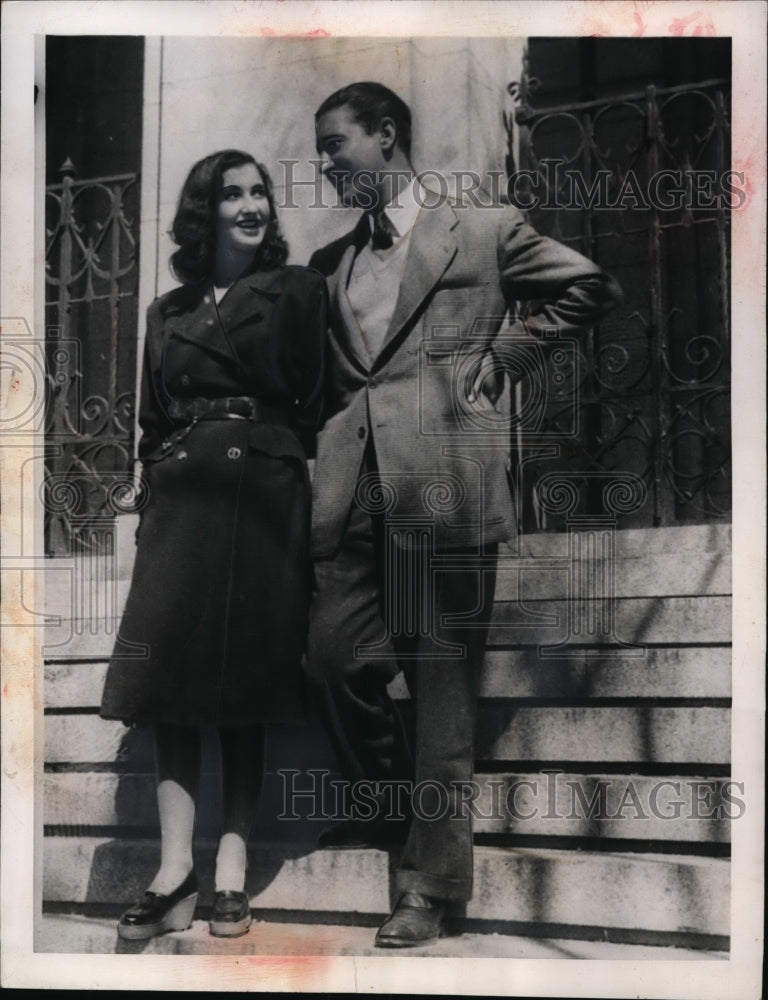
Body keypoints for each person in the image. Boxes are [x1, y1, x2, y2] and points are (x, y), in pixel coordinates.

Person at [305, 82, 621, 948]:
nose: (325, 165)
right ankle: (388, 806)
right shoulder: (329, 264)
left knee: (442, 694)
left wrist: (509, 352)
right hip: (352, 499)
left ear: (387, 135)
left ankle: (428, 888)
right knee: (328, 658)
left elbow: (586, 286)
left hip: (443, 491)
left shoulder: (479, 229)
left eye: (336, 145)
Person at [100, 149, 326, 940]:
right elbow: (152, 419)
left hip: (261, 494)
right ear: (205, 211)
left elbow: (319, 397)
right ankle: (174, 871)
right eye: (232, 194)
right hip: (183, 497)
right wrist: (153, 482)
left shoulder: (297, 292)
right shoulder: (168, 310)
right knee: (166, 684)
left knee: (244, 682)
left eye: (259, 191)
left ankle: (230, 866)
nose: (250, 205)